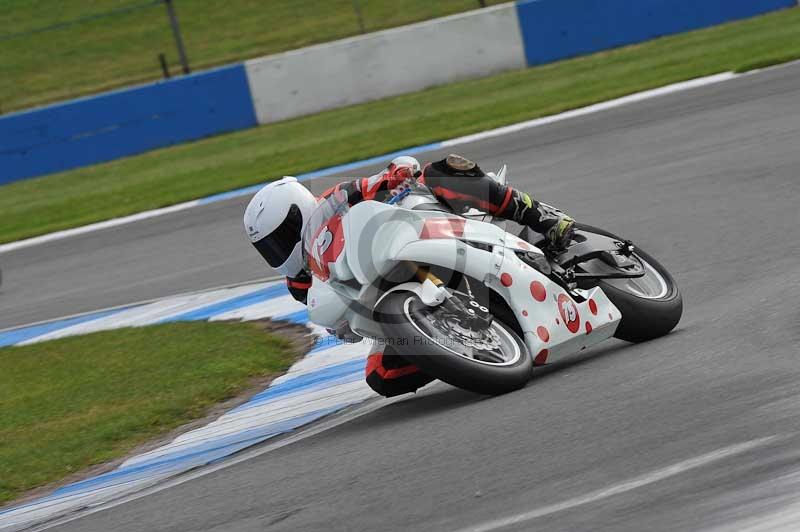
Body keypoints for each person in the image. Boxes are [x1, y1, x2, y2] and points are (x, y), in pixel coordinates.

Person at [243, 154, 575, 397]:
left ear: (299, 210)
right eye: (270, 246)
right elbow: (340, 324)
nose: (279, 248)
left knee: (441, 172)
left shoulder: (334, 199)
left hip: (420, 228)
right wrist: (342, 325)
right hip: (387, 292)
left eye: (282, 234)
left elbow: (369, 185)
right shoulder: (301, 282)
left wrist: (394, 175)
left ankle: (541, 215)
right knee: (381, 375)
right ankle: (458, 350)